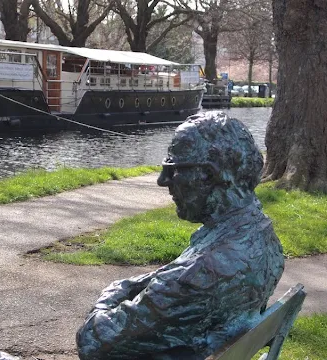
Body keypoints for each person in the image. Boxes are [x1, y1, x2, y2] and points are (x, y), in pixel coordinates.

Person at [76, 112, 285, 360]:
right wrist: (147, 283)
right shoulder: (261, 234)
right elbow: (171, 280)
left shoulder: (198, 276)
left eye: (172, 169)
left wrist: (113, 290)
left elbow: (91, 342)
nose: (162, 181)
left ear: (207, 175)